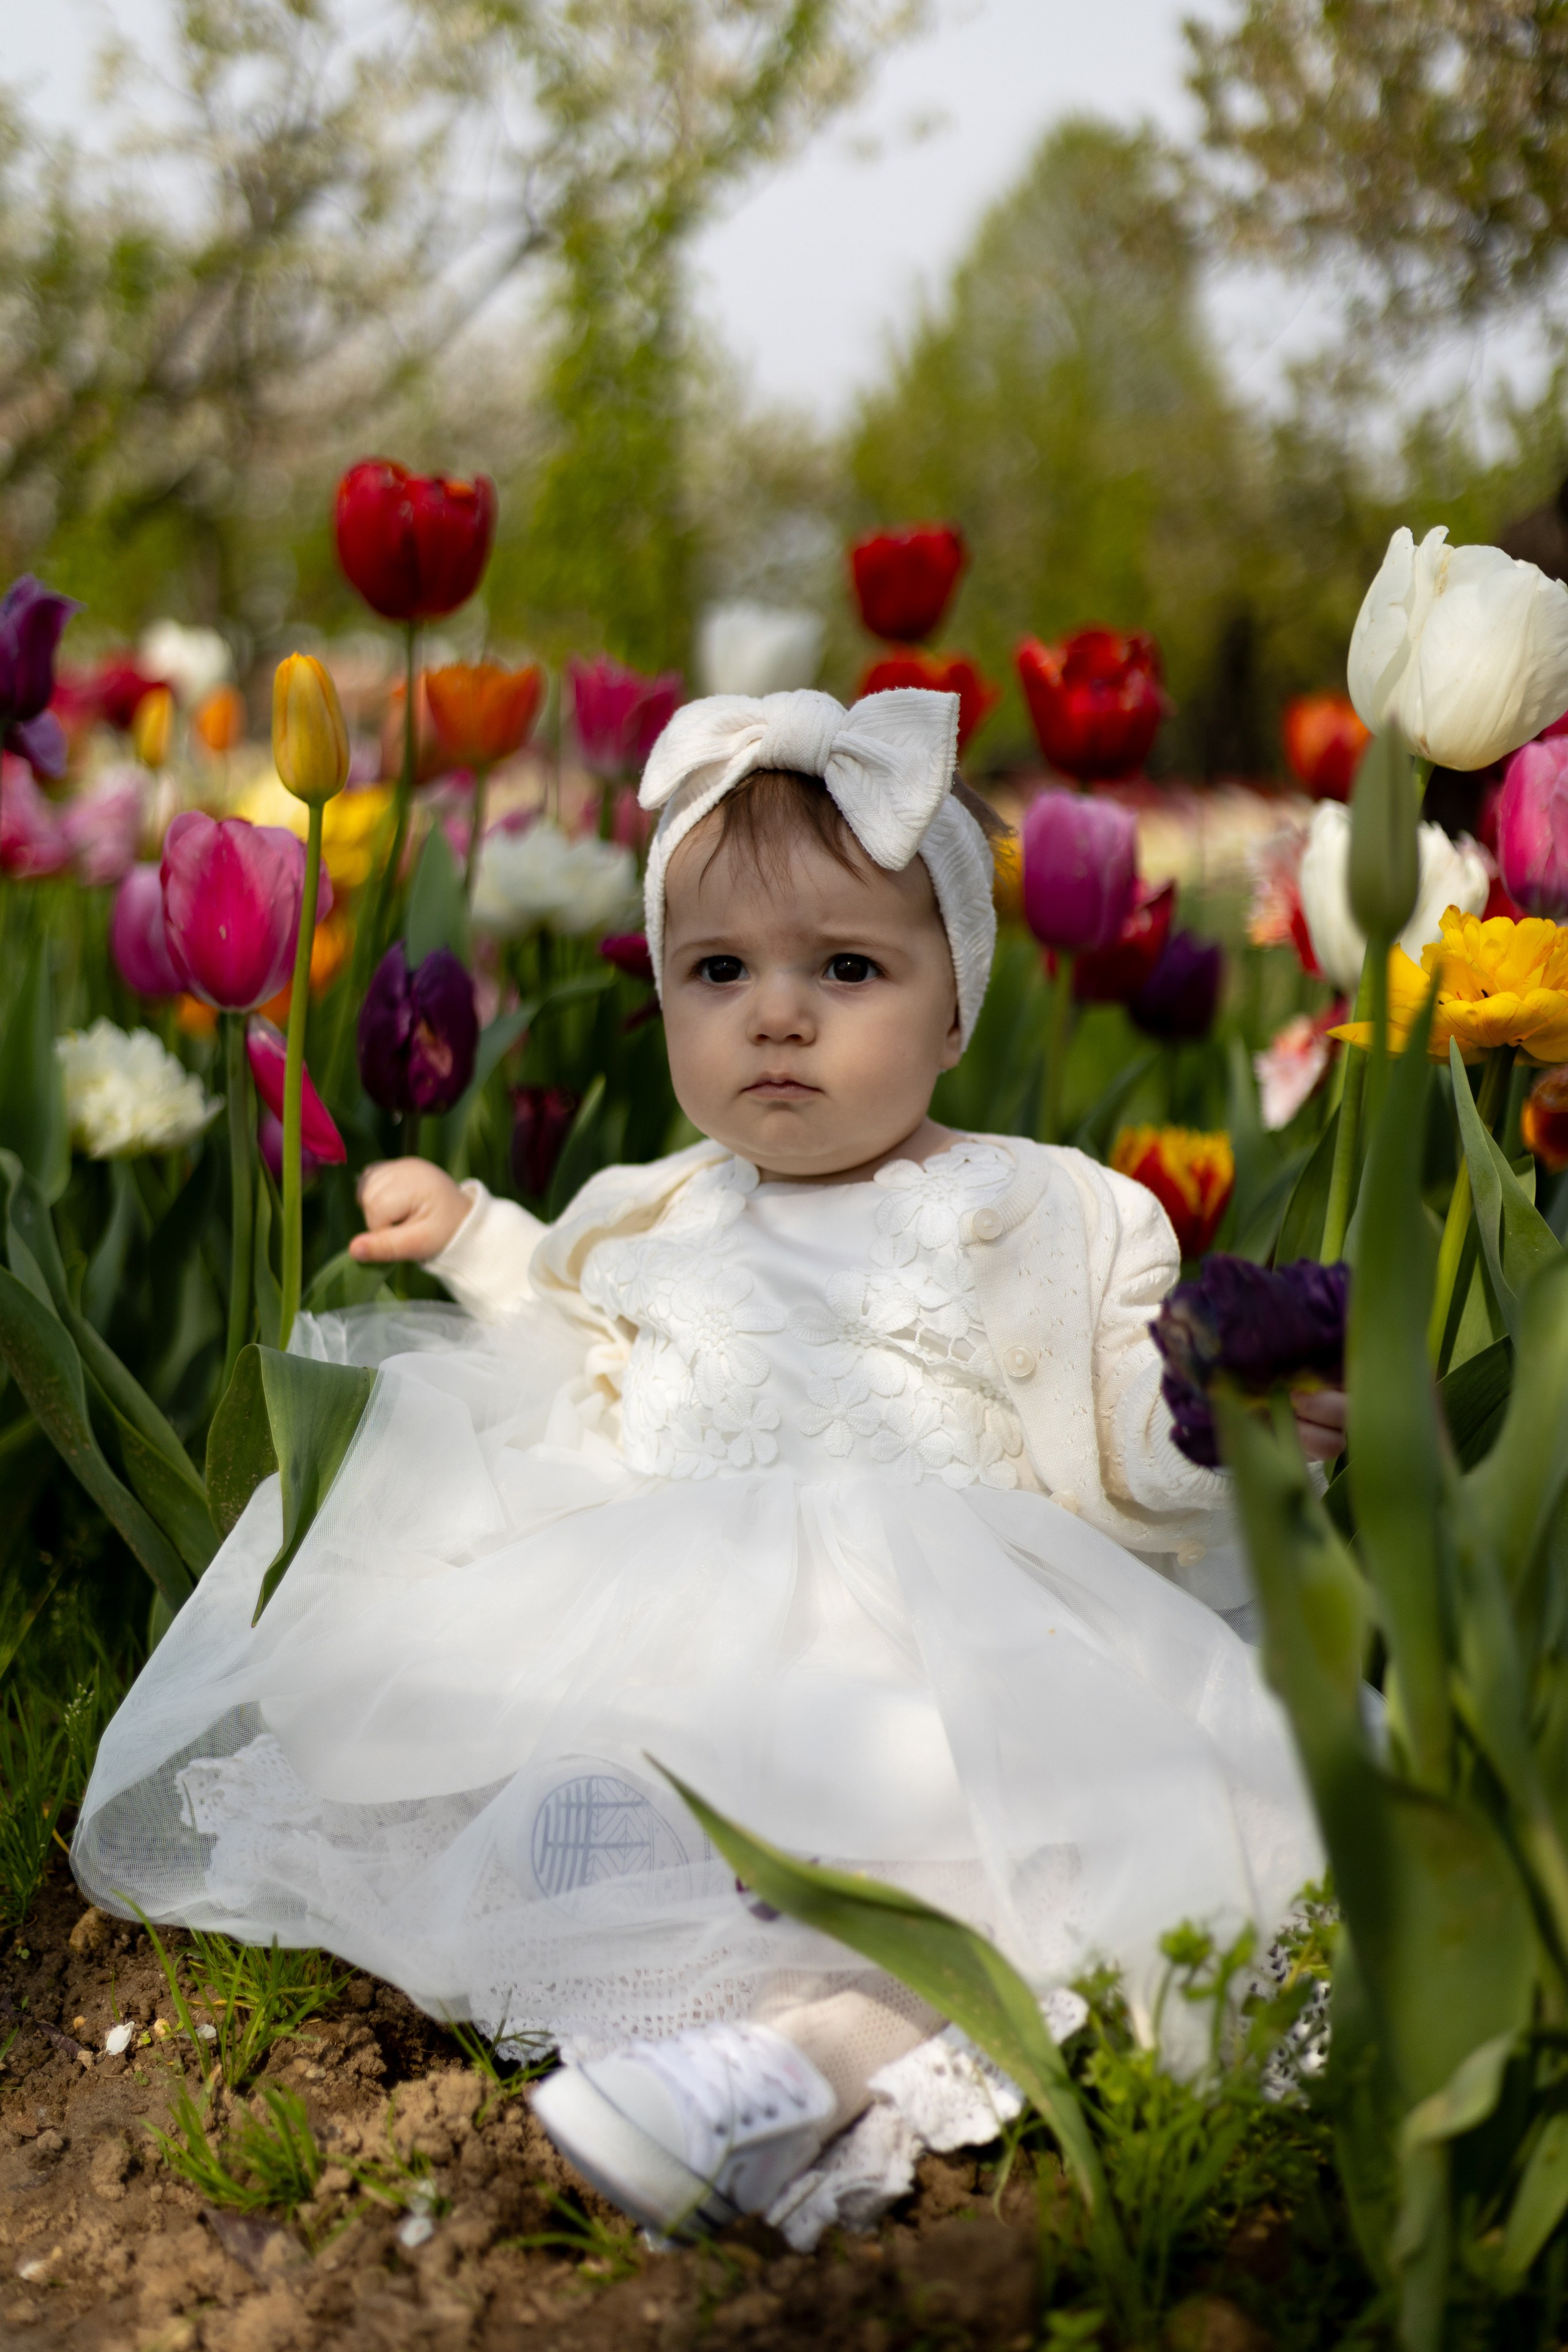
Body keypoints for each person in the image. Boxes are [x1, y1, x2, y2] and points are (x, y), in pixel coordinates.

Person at [73, 688, 1333, 2244]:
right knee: (592, 1795)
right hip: (675, 1617)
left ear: (956, 1008)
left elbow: (1132, 1431)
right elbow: (569, 1310)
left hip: (940, 1648)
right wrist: (470, 1230)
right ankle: (696, 2023)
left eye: (847, 969)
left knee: (988, 1858)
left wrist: (1233, 1428)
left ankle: (794, 2069)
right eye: (718, 971)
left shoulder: (1053, 1213)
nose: (776, 1015)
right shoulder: (654, 1206)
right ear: (666, 996)